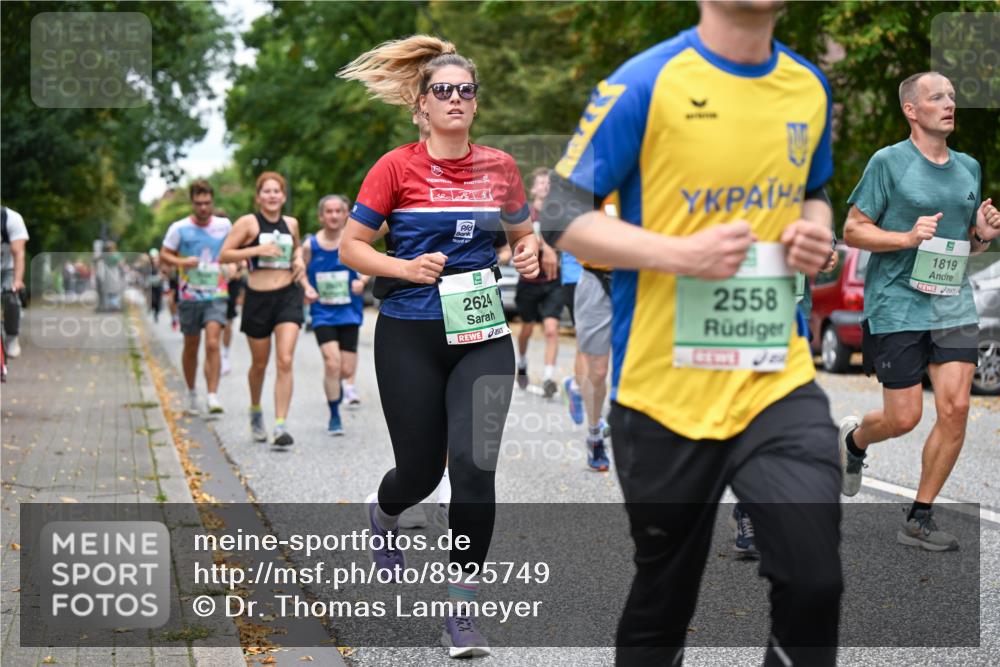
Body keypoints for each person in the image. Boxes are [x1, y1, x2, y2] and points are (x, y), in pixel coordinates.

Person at [540, 1, 842, 664]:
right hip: (663, 393)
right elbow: (560, 216)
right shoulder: (644, 83)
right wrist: (681, 255)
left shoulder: (808, 86)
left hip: (775, 377)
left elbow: (815, 188)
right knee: (664, 600)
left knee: (814, 580)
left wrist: (814, 230)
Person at [338, 35, 539, 658]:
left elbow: (523, 234)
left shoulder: (500, 168)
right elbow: (352, 247)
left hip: (482, 333)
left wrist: (530, 251)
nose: (455, 99)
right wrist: (402, 268)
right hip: (410, 332)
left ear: (475, 103)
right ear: (421, 105)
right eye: (443, 90)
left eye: (465, 90)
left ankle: (461, 611)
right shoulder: (394, 168)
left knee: (475, 469)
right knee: (422, 473)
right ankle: (384, 513)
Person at [840, 71, 1000, 551]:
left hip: (952, 302)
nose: (949, 104)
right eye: (937, 97)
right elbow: (853, 230)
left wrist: (982, 235)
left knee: (956, 407)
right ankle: (854, 442)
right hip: (897, 304)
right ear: (911, 110)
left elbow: (966, 245)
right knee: (904, 417)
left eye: (952, 96)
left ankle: (919, 516)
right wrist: (906, 237)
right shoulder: (888, 163)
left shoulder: (968, 167)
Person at [219, 172, 306, 447]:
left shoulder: (291, 223)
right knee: (259, 364)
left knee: (285, 359)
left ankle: (280, 425)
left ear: (283, 196)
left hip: (288, 295)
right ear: (258, 197)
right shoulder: (248, 223)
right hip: (257, 298)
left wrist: (299, 260)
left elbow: (296, 250)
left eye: (276, 191)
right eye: (266, 191)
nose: (272, 196)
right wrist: (256, 250)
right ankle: (256, 410)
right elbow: (225, 254)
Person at [160, 181, 232, 415]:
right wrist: (182, 262)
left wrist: (234, 266)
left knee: (212, 343)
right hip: (189, 295)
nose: (203, 208)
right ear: (192, 203)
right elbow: (164, 254)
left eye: (207, 203)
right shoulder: (179, 228)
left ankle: (212, 395)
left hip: (216, 293)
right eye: (198, 203)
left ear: (212, 202)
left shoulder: (224, 226)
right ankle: (192, 393)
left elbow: (234, 249)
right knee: (191, 347)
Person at [302, 194, 368, 436]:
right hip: (322, 313)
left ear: (345, 214)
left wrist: (363, 281)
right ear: (321, 216)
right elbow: (299, 270)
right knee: (332, 362)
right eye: (328, 211)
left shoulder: (354, 240)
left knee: (346, 370)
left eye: (338, 211)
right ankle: (334, 415)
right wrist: (306, 288)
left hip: (349, 312)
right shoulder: (310, 245)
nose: (333, 215)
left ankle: (337, 386)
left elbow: (369, 265)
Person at [514, 167, 564, 397]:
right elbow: (529, 235)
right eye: (541, 183)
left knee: (552, 329)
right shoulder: (526, 213)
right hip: (529, 281)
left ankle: (548, 378)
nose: (545, 187)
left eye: (549, 183)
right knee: (527, 328)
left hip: (553, 281)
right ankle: (522, 364)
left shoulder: (559, 214)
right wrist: (546, 248)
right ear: (533, 188)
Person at [1, 206, 28, 358]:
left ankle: (12, 336)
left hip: (8, 269)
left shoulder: (11, 219)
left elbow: (19, 253)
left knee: (10, 295)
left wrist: (17, 281)